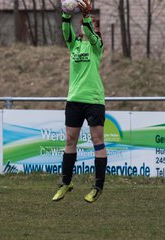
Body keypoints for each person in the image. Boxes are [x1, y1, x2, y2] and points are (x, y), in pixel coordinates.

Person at [52, 0, 107, 203]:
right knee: (69, 141)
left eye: (93, 23)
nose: (89, 25)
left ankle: (98, 187)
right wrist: (66, 15)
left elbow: (91, 33)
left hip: (93, 100)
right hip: (74, 99)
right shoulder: (74, 45)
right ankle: (66, 183)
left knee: (97, 141)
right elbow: (66, 30)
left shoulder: (96, 45)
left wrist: (85, 16)